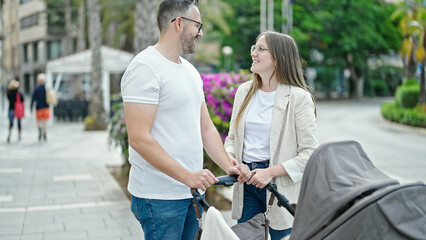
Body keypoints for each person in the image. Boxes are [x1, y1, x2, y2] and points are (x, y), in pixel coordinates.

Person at [120, 1, 250, 239]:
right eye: (197, 25)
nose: (200, 33)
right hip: (159, 197)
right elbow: (139, 139)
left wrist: (228, 165)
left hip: (191, 194)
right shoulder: (145, 67)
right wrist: (187, 176)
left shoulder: (190, 71)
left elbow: (206, 128)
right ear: (179, 23)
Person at [224, 31, 319, 240]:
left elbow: (310, 153)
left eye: (261, 49)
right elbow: (232, 138)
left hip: (280, 188)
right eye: (253, 48)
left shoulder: (298, 98)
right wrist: (230, 159)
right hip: (246, 182)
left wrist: (270, 172)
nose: (253, 54)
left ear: (278, 58)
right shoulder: (244, 92)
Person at [31, 73, 50, 141]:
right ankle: (45, 134)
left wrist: (31, 107)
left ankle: (39, 130)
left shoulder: (36, 89)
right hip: (46, 108)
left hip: (38, 108)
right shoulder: (46, 88)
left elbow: (33, 99)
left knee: (39, 122)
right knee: (45, 122)